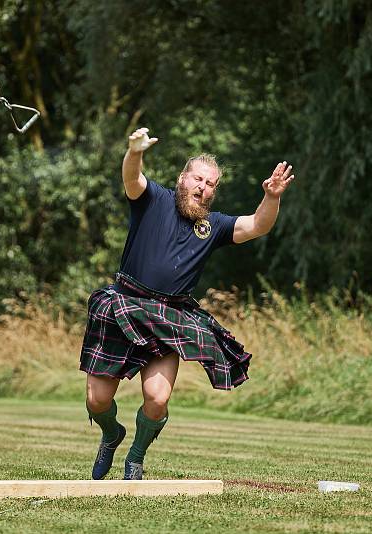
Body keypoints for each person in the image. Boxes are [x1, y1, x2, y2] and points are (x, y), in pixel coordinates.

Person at [79, 127, 295, 480]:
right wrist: (134, 152)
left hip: (169, 316)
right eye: (198, 179)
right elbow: (132, 180)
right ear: (183, 178)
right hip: (124, 305)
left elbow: (257, 225)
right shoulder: (154, 200)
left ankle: (135, 456)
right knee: (97, 400)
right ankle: (111, 434)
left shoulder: (214, 225)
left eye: (211, 184)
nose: (203, 188)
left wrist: (272, 197)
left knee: (158, 398)